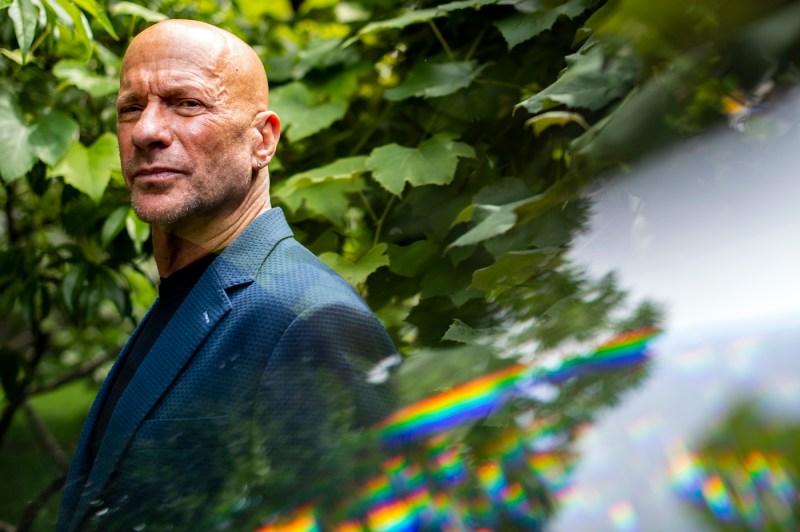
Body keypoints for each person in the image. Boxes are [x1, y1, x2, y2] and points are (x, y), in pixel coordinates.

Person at [57, 19, 398, 531]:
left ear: (263, 140)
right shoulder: (189, 291)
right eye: (131, 107)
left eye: (187, 103)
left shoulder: (309, 319)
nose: (147, 131)